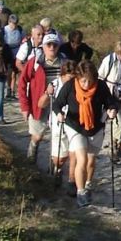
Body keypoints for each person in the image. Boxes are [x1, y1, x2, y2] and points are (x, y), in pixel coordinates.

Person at [53, 60, 119, 208]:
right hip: (75, 126)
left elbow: (111, 102)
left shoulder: (100, 86)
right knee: (81, 159)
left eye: (89, 81)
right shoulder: (70, 86)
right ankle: (81, 192)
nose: (86, 84)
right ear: (78, 78)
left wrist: (112, 110)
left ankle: (88, 183)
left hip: (95, 127)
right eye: (83, 81)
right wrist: (58, 114)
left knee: (91, 160)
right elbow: (58, 103)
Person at [18, 33, 66, 163]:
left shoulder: (64, 62)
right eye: (48, 45)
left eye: (54, 45)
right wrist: (24, 106)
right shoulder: (35, 62)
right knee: (37, 136)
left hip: (59, 104)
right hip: (38, 104)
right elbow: (22, 83)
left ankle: (56, 169)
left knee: (58, 136)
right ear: (43, 47)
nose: (52, 47)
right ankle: (31, 157)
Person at [37, 60, 77, 191]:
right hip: (58, 123)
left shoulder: (78, 85)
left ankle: (71, 180)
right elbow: (41, 104)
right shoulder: (54, 84)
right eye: (69, 77)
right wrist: (48, 93)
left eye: (74, 77)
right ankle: (57, 169)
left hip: (74, 123)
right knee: (60, 157)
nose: (71, 80)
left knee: (74, 152)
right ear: (62, 75)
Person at [3, 15, 24, 99]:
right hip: (7, 51)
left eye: (15, 23)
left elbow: (24, 39)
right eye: (12, 23)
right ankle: (8, 89)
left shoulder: (20, 29)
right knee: (9, 72)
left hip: (17, 51)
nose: (14, 25)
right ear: (9, 22)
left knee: (15, 73)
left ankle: (13, 91)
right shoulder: (4, 30)